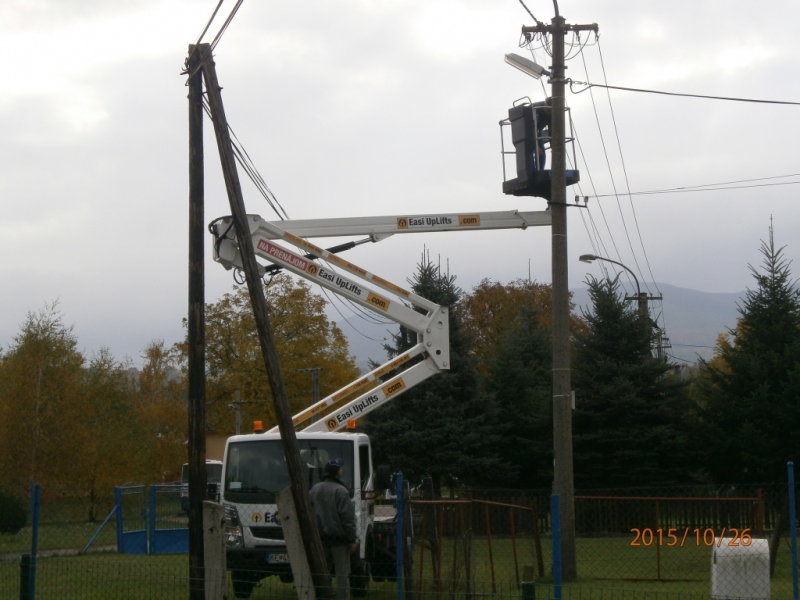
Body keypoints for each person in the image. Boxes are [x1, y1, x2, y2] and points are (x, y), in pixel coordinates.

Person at [309, 458, 357, 600]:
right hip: (339, 540)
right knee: (342, 574)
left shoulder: (315, 489)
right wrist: (351, 539)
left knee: (323, 573)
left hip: (320, 539)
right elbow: (347, 518)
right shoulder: (341, 491)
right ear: (338, 472)